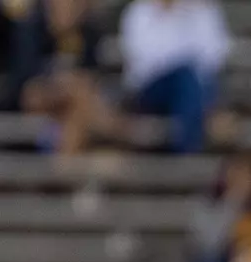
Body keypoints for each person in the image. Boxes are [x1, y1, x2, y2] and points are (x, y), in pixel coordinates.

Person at [119, 0, 230, 154]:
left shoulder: (203, 9)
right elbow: (142, 59)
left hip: (198, 85)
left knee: (190, 81)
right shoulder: (140, 11)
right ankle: (187, 149)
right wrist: (180, 62)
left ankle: (184, 146)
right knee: (186, 79)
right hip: (151, 87)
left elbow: (216, 54)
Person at [13, 0, 119, 156]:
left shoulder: (88, 33)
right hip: (37, 94)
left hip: (73, 101)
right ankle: (114, 127)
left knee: (76, 116)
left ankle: (64, 166)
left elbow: (93, 73)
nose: (68, 8)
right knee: (78, 90)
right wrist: (61, 80)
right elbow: (27, 76)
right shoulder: (32, 29)